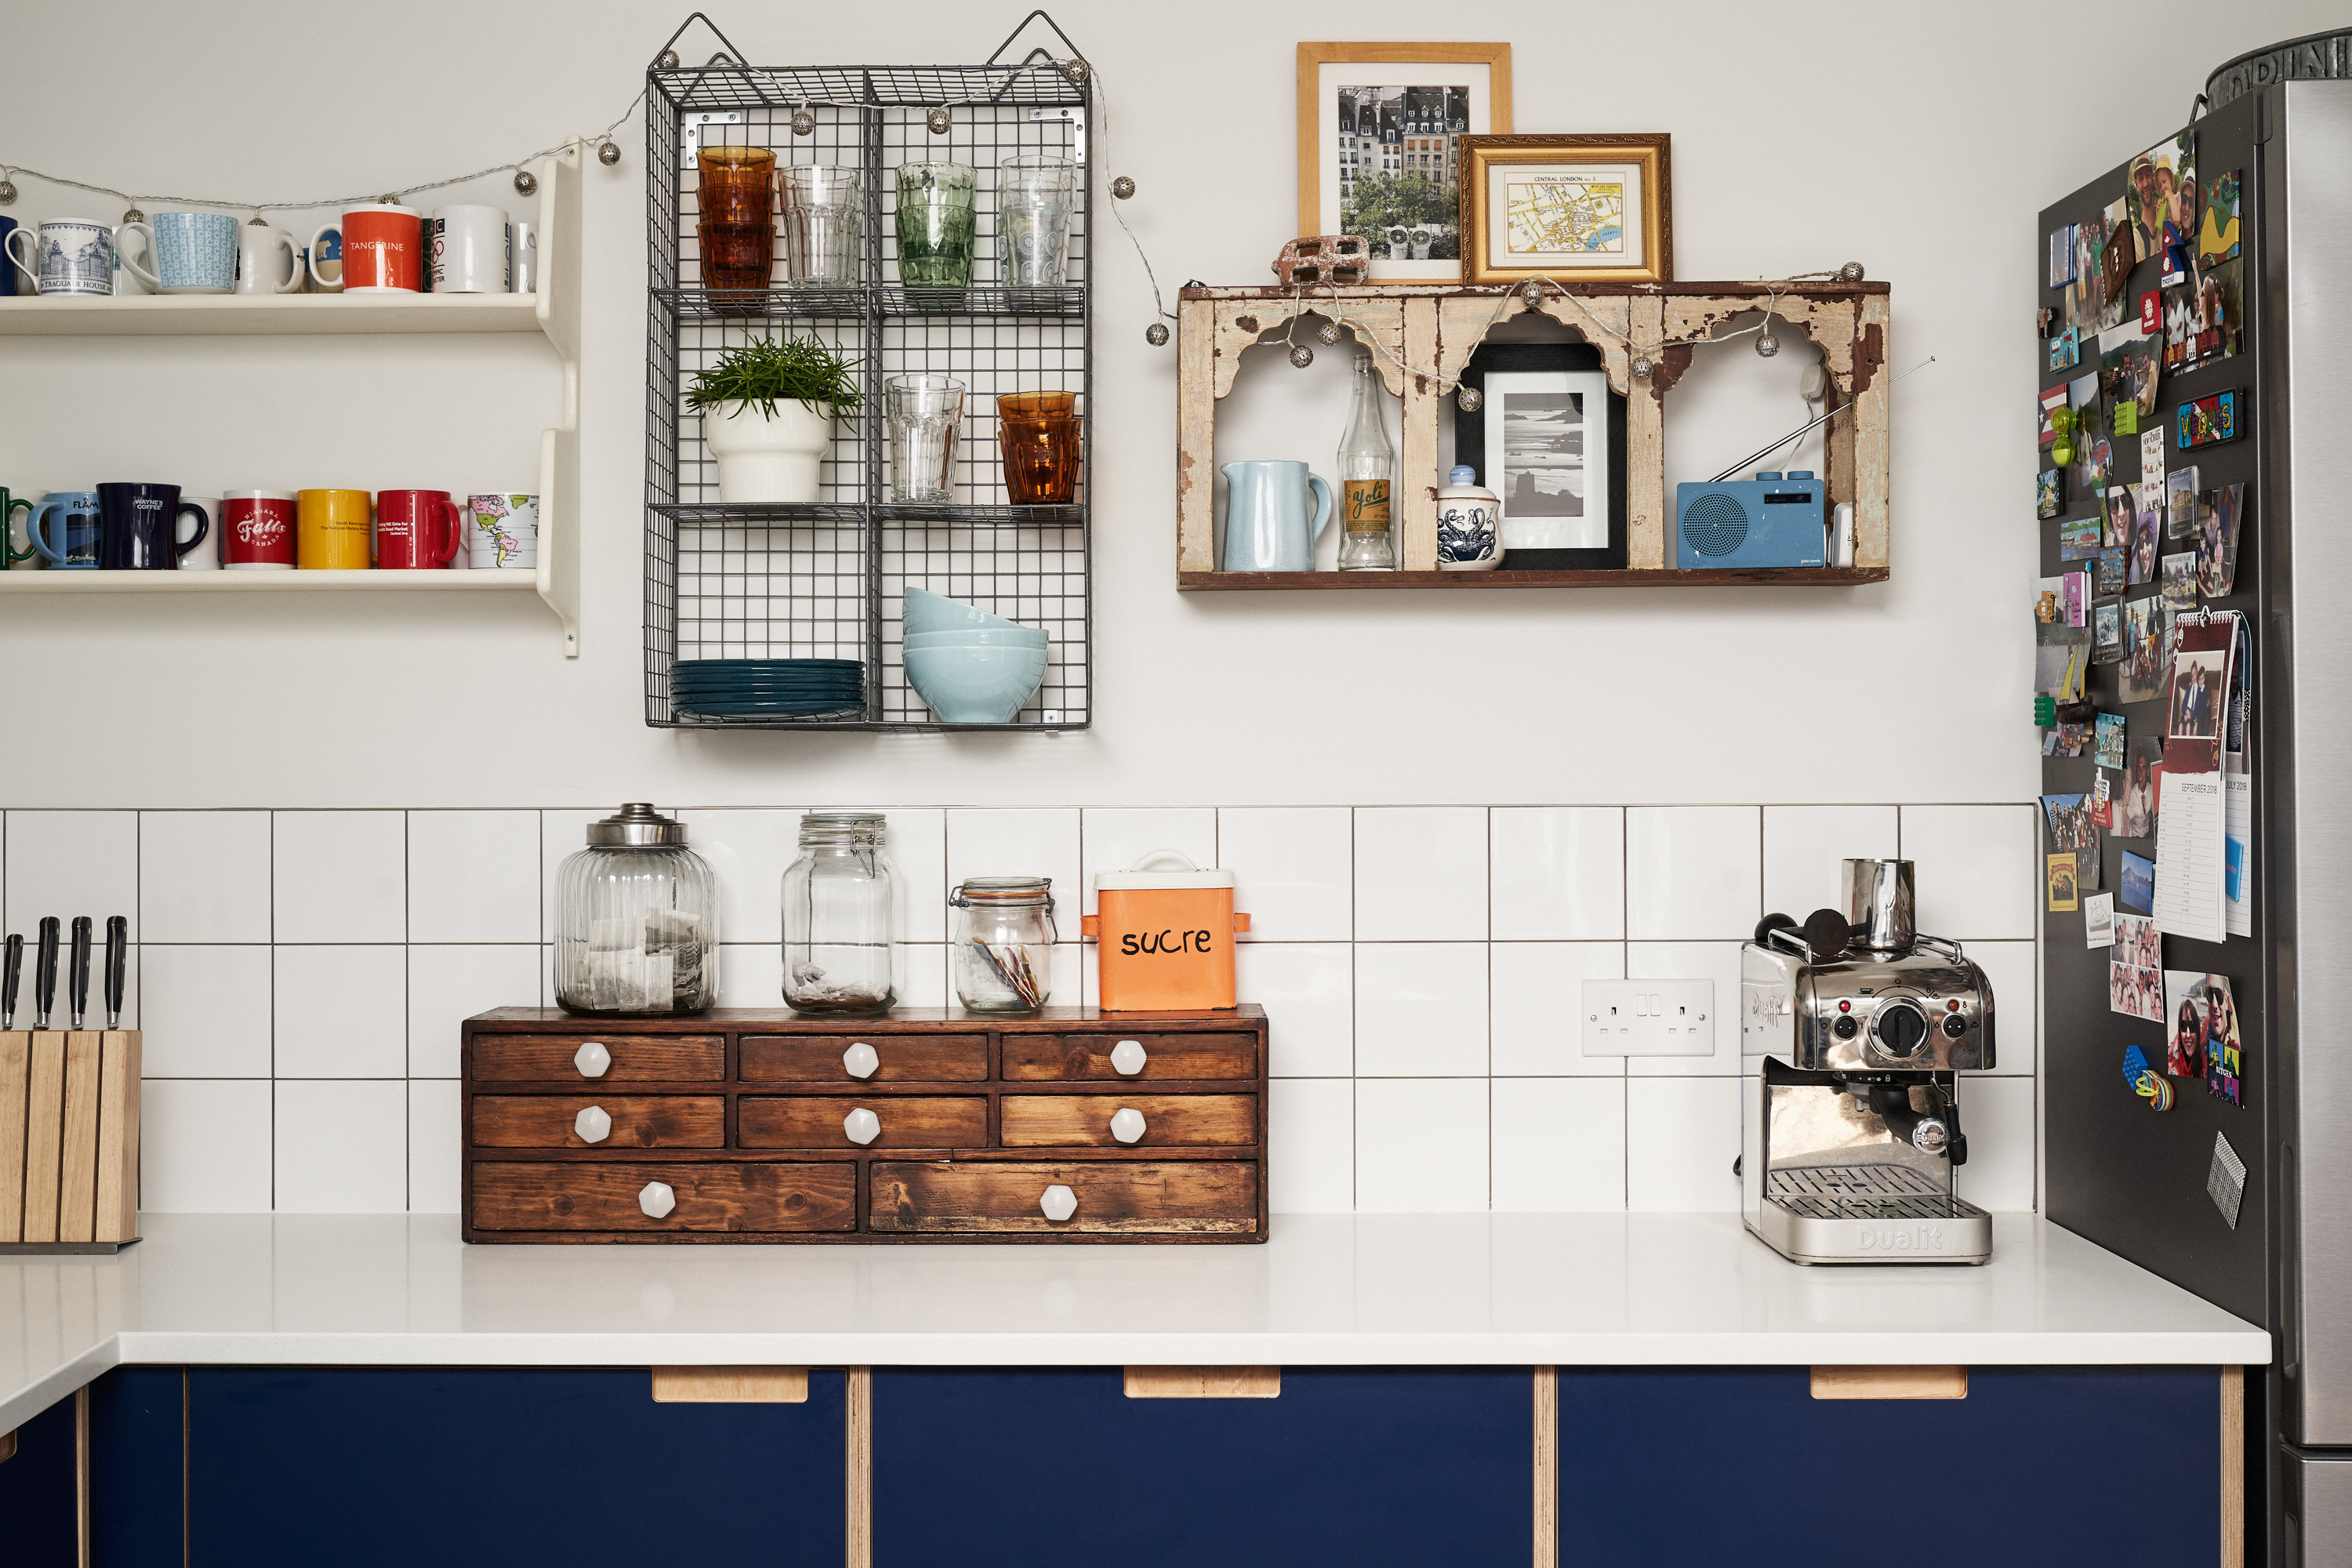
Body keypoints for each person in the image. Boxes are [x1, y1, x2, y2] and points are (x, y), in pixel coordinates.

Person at [2172, 998, 2204, 1077]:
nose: (2188, 1034)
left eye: (2192, 1026)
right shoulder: (2171, 1059)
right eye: (2183, 1026)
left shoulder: (2206, 1060)